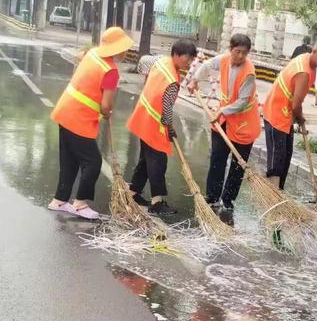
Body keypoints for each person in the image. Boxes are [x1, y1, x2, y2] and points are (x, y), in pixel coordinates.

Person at [48, 26, 134, 219]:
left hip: (65, 111)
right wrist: (107, 113)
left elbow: (81, 55)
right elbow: (106, 105)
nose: (125, 51)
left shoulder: (93, 53)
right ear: (117, 49)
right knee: (93, 162)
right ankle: (80, 204)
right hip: (79, 118)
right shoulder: (111, 71)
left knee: (69, 161)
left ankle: (59, 201)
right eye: (123, 47)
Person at [187, 34, 261, 211]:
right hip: (224, 118)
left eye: (244, 53)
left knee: (237, 164)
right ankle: (212, 197)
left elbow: (242, 101)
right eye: (237, 52)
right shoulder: (225, 60)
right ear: (231, 49)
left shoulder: (249, 73)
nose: (241, 56)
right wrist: (195, 79)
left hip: (244, 123)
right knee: (217, 159)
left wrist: (221, 110)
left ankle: (228, 201)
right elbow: (207, 65)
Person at [127, 39, 197, 216]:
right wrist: (169, 127)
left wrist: (146, 77)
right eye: (186, 59)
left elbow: (143, 61)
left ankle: (133, 193)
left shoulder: (161, 61)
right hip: (153, 125)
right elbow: (166, 109)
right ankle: (157, 202)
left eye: (191, 60)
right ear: (175, 55)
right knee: (158, 162)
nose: (188, 63)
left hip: (143, 117)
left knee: (146, 160)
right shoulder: (173, 80)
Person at [263, 39, 317, 190]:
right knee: (278, 157)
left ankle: (279, 192)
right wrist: (300, 118)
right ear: (314, 52)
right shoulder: (304, 72)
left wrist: (296, 118)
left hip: (285, 116)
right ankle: (272, 192)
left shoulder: (306, 60)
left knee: (286, 154)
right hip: (277, 114)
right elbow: (296, 105)